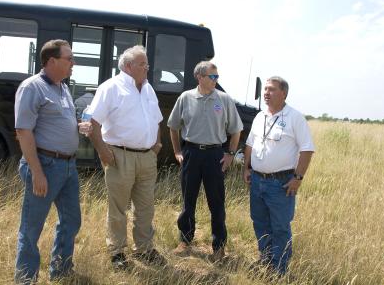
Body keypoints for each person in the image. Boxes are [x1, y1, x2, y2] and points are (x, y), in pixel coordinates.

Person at [84, 45, 165, 270]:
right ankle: (117, 252)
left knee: (145, 206)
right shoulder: (111, 88)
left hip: (146, 157)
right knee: (118, 207)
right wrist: (103, 151)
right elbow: (93, 122)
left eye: (147, 63)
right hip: (120, 155)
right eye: (143, 64)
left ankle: (145, 248)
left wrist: (156, 145)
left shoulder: (148, 89)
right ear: (128, 66)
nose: (147, 68)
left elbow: (157, 120)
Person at [14, 39, 81, 284]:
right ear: (52, 61)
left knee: (72, 220)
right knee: (31, 229)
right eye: (69, 59)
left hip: (68, 167)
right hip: (45, 166)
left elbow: (57, 122)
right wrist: (37, 172)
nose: (73, 63)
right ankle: (26, 280)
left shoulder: (62, 87)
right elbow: (24, 131)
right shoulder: (33, 87)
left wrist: (78, 127)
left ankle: (61, 271)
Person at [167, 61, 243, 262]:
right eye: (213, 76)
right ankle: (185, 240)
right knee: (187, 201)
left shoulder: (224, 99)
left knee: (216, 203)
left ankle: (218, 247)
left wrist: (230, 154)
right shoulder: (186, 98)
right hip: (191, 153)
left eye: (217, 76)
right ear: (199, 77)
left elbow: (236, 130)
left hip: (215, 155)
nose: (216, 80)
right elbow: (173, 127)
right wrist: (177, 151)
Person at [243, 76, 314, 275]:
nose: (266, 93)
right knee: (259, 221)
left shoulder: (294, 117)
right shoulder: (260, 117)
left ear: (283, 93)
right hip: (257, 181)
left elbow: (307, 150)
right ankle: (265, 261)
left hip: (281, 183)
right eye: (265, 89)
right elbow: (249, 144)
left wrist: (298, 178)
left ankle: (279, 269)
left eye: (271, 89)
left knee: (280, 227)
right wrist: (246, 168)